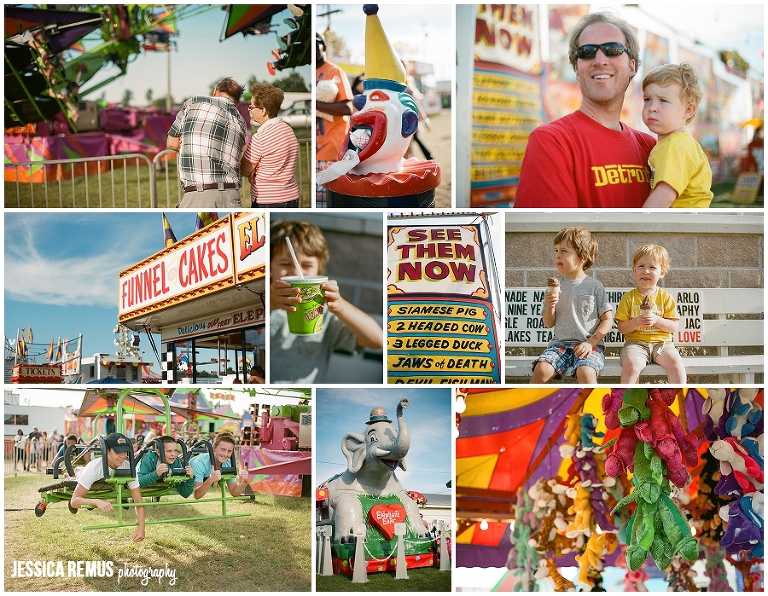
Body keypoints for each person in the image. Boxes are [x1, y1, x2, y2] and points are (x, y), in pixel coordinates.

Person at [515, 12, 655, 208]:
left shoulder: (650, 148)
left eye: (612, 49)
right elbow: (551, 237)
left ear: (632, 66)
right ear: (576, 68)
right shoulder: (551, 142)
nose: (599, 60)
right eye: (587, 52)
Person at [270, 220, 384, 383]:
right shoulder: (260, 305)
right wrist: (269, 302)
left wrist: (340, 306)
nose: (296, 272)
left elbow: (376, 340)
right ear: (269, 269)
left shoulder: (326, 315)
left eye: (307, 265)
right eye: (284, 264)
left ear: (319, 271)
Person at [531, 227, 614, 383]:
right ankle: (530, 406)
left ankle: (591, 405)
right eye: (556, 251)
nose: (558, 256)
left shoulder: (595, 286)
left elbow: (608, 320)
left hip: (588, 344)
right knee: (541, 369)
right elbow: (548, 324)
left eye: (564, 251)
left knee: (586, 372)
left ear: (582, 257)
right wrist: (550, 306)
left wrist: (591, 343)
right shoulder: (554, 287)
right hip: (559, 345)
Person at [166, 77, 247, 208]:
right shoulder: (241, 122)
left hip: (201, 193)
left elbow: (172, 143)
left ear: (216, 90)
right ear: (237, 101)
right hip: (232, 195)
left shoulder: (194, 103)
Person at [641, 63, 713, 208]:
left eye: (663, 100)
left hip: (681, 226)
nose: (652, 107)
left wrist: (637, 226)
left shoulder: (675, 146)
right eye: (647, 99)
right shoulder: (681, 142)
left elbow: (664, 196)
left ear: (688, 110)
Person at [615, 244, 686, 384]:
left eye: (652, 267)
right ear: (634, 270)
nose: (646, 271)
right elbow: (622, 328)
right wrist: (636, 322)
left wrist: (657, 319)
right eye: (641, 266)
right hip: (636, 344)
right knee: (632, 364)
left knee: (675, 362)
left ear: (662, 273)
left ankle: (679, 399)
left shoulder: (665, 297)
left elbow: (672, 327)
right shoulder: (629, 298)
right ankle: (628, 401)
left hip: (663, 343)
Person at [69, 433, 145, 542]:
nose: (123, 456)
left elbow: (138, 500)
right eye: (118, 452)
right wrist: (96, 502)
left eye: (125, 451)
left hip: (105, 484)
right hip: (83, 476)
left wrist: (141, 527)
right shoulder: (94, 468)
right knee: (76, 474)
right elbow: (74, 501)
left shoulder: (128, 466)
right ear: (107, 450)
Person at [240, 82, 299, 208]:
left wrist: (253, 171)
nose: (249, 110)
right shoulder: (288, 130)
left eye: (251, 107)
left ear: (263, 111)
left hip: (267, 200)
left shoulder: (260, 137)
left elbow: (244, 169)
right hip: (291, 197)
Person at [315, 32, 353, 207]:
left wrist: (315, 104)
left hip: (332, 148)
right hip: (314, 149)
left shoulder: (334, 71)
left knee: (328, 202)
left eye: (315, 44)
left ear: (322, 46)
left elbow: (347, 108)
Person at [189, 431, 249, 500]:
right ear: (214, 448)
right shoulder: (200, 463)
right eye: (223, 450)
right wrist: (211, 479)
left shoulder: (228, 463)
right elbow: (197, 495)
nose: (225, 454)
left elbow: (234, 492)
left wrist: (245, 482)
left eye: (229, 451)